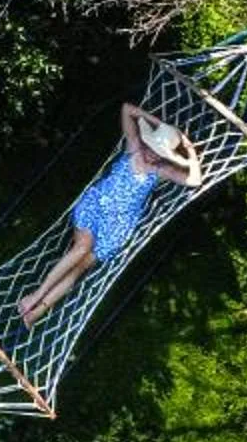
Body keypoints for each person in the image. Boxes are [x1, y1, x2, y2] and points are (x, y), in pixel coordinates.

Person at [17, 103, 204, 326]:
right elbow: (126, 109)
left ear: (165, 156)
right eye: (151, 146)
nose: (151, 153)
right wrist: (157, 123)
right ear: (146, 140)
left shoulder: (161, 172)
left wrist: (189, 148)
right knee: (82, 247)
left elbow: (194, 180)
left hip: (116, 228)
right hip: (97, 205)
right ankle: (35, 296)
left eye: (158, 152)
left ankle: (35, 313)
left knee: (78, 270)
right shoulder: (133, 146)